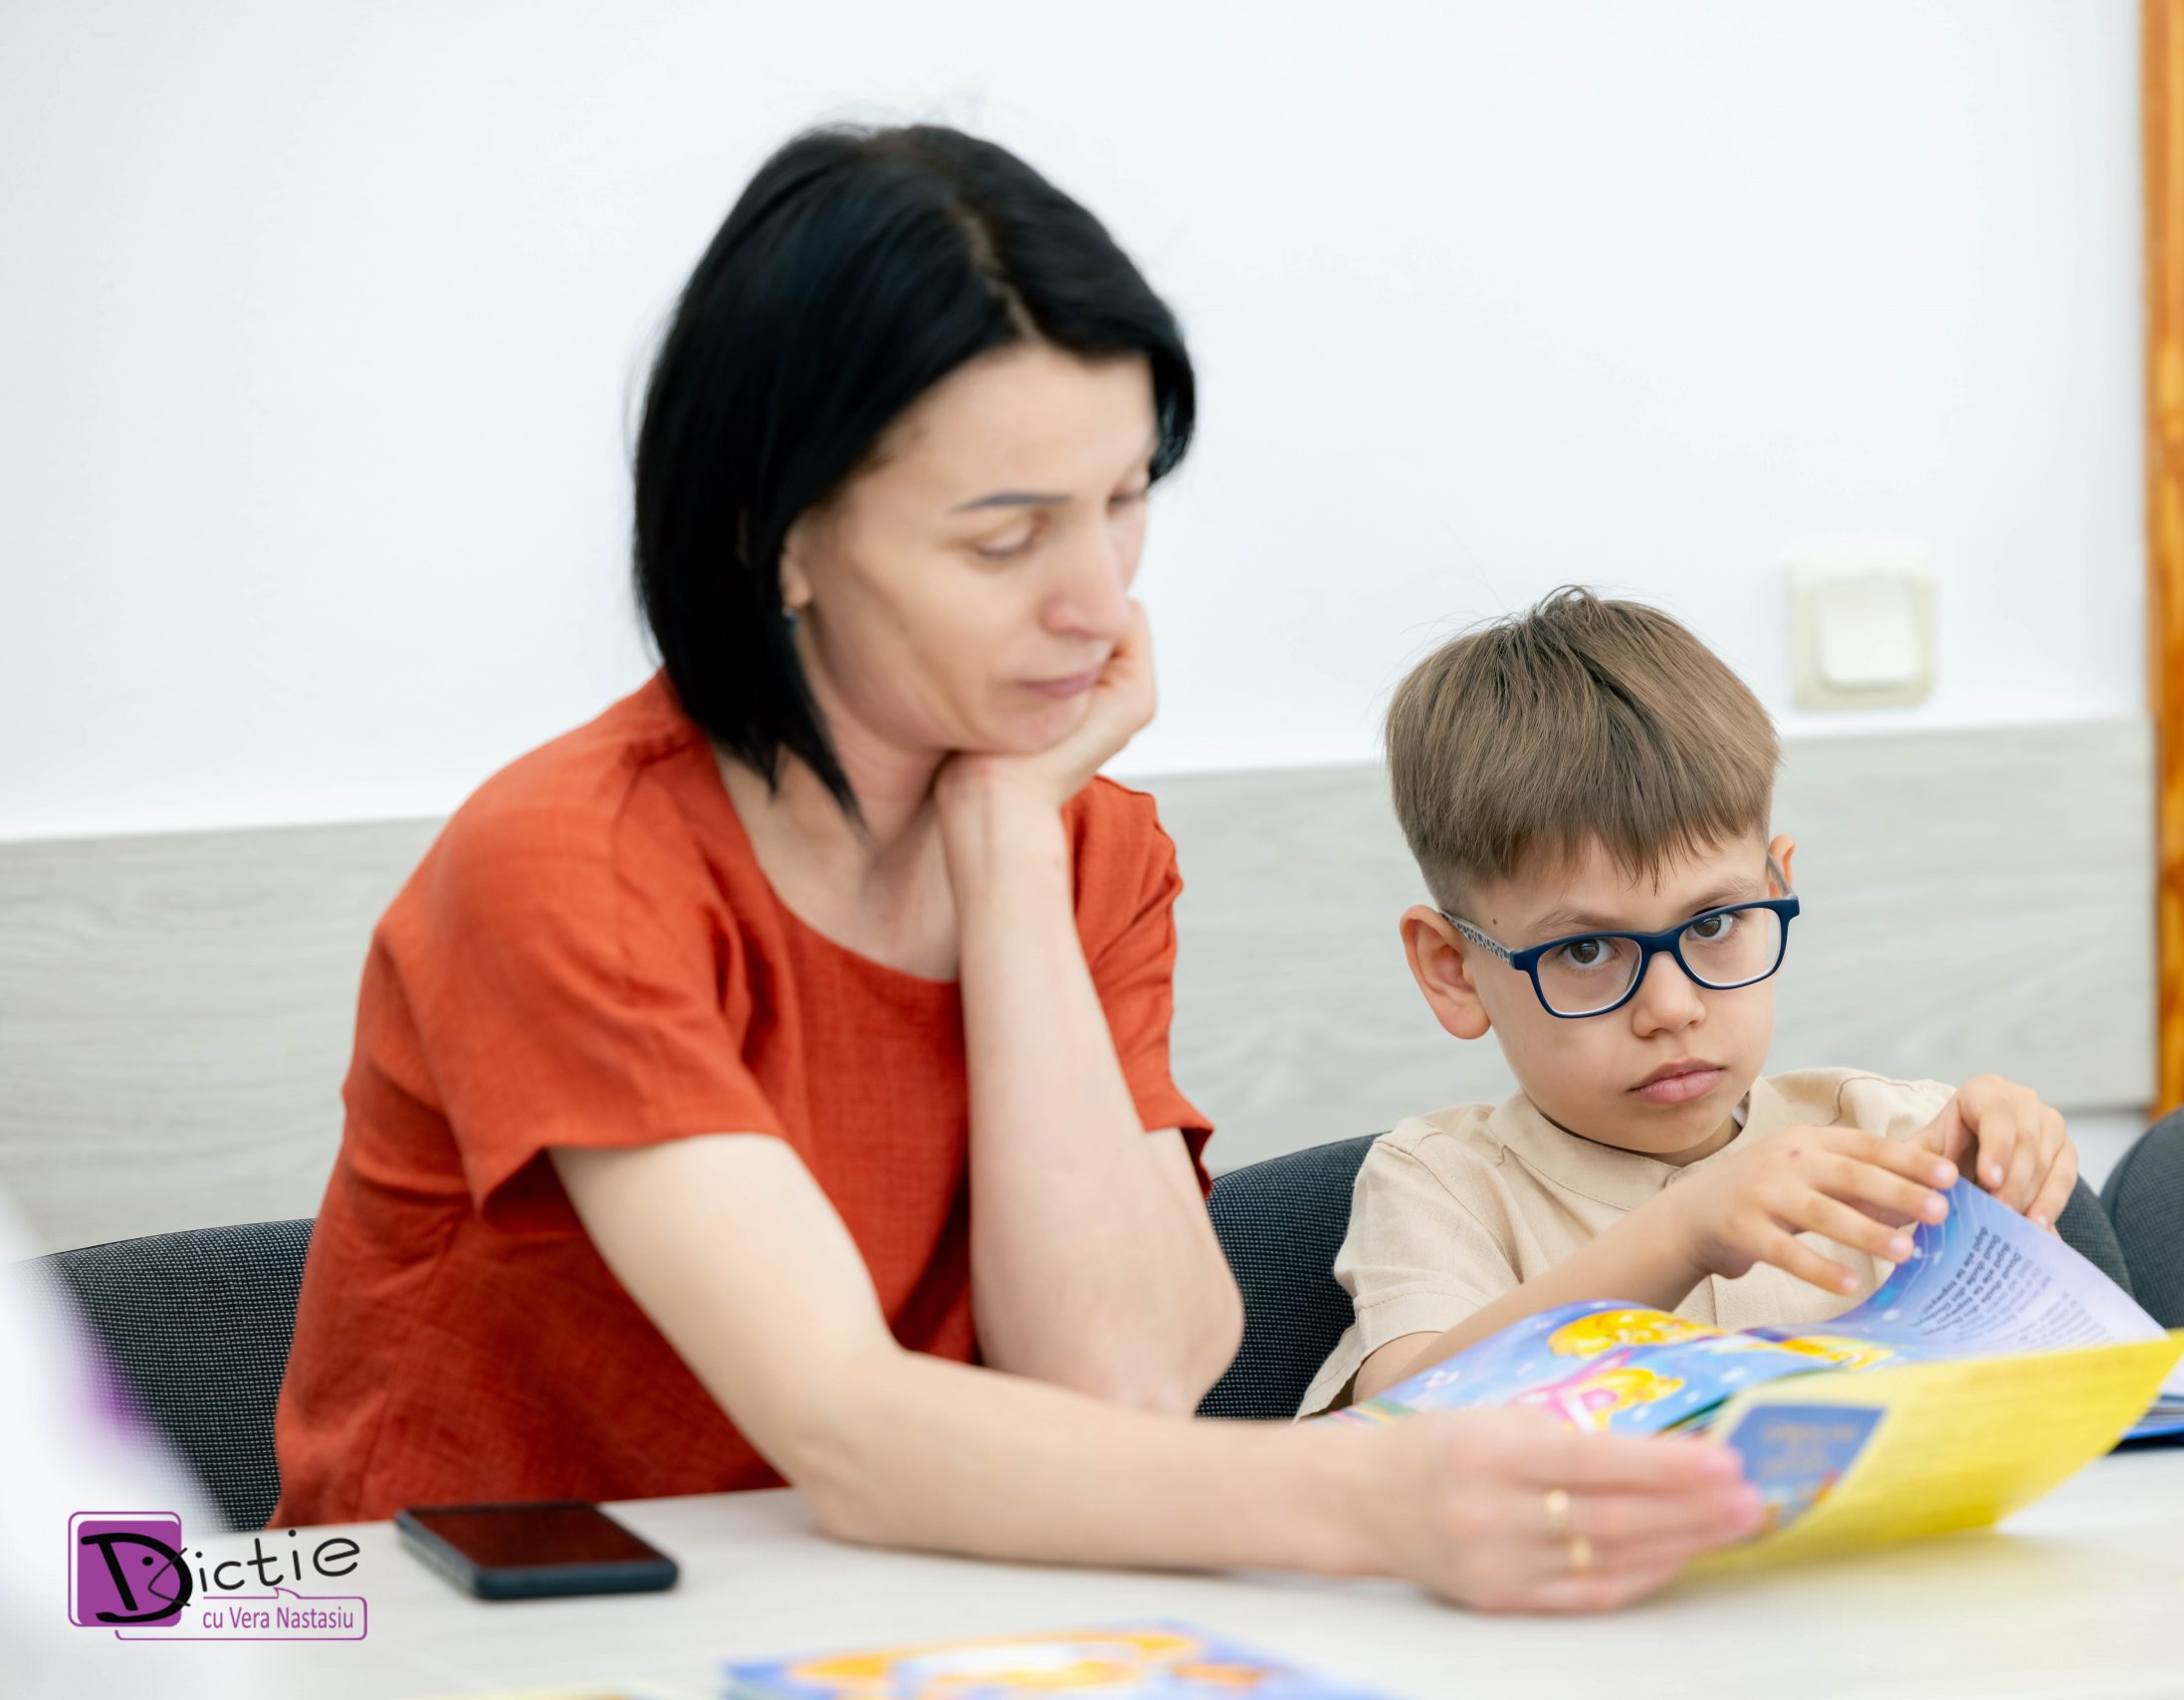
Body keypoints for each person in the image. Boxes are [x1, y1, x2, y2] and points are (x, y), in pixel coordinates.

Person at [269, 125, 1763, 1610]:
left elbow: (1120, 1383)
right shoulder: (572, 866)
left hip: (894, 1600)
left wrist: (1003, 854)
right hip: (468, 1627)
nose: (1097, 605)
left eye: (1123, 503)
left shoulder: (1082, 845)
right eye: (1005, 542)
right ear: (776, 537)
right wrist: (1376, 1495)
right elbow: (842, 1425)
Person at [1303, 588, 2081, 1414]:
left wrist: (2008, 1213)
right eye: (1585, 951)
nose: (1671, 1008)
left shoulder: (1897, 1136)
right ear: (1454, 972)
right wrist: (1682, 1232)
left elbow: (2063, 1407)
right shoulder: (1442, 1185)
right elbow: (1400, 1424)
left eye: (1713, 924)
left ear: (1775, 891)